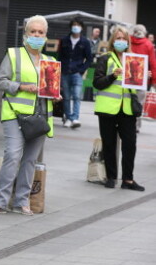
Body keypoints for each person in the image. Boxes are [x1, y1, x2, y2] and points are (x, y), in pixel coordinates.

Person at [0, 15, 57, 216]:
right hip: (15, 114)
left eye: (41, 33)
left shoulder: (50, 61)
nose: (36, 35)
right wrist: (21, 86)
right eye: (33, 32)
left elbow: (50, 90)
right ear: (25, 34)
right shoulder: (13, 55)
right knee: (12, 155)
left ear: (46, 36)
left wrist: (56, 94)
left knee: (30, 160)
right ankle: (0, 201)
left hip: (40, 117)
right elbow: (0, 81)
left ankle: (22, 201)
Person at [93, 26, 145, 192]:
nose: (120, 41)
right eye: (118, 38)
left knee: (130, 144)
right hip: (107, 108)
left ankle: (128, 179)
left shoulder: (134, 60)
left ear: (128, 41)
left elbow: (136, 86)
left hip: (127, 109)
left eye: (123, 39)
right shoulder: (105, 58)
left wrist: (145, 77)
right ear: (112, 41)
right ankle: (111, 177)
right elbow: (97, 83)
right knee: (109, 144)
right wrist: (112, 76)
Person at [58, 17, 92, 129]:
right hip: (65, 72)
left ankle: (75, 117)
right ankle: (68, 118)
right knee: (66, 97)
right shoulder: (64, 40)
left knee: (77, 96)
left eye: (78, 25)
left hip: (77, 72)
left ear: (81, 27)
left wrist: (82, 70)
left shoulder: (85, 42)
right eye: (74, 25)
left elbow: (89, 59)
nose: (75, 27)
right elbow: (60, 56)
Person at [129, 24, 156, 131]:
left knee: (127, 100)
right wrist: (154, 80)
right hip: (142, 78)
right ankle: (136, 125)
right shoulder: (148, 44)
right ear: (144, 33)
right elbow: (153, 63)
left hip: (128, 76)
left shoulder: (128, 41)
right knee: (139, 102)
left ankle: (126, 122)